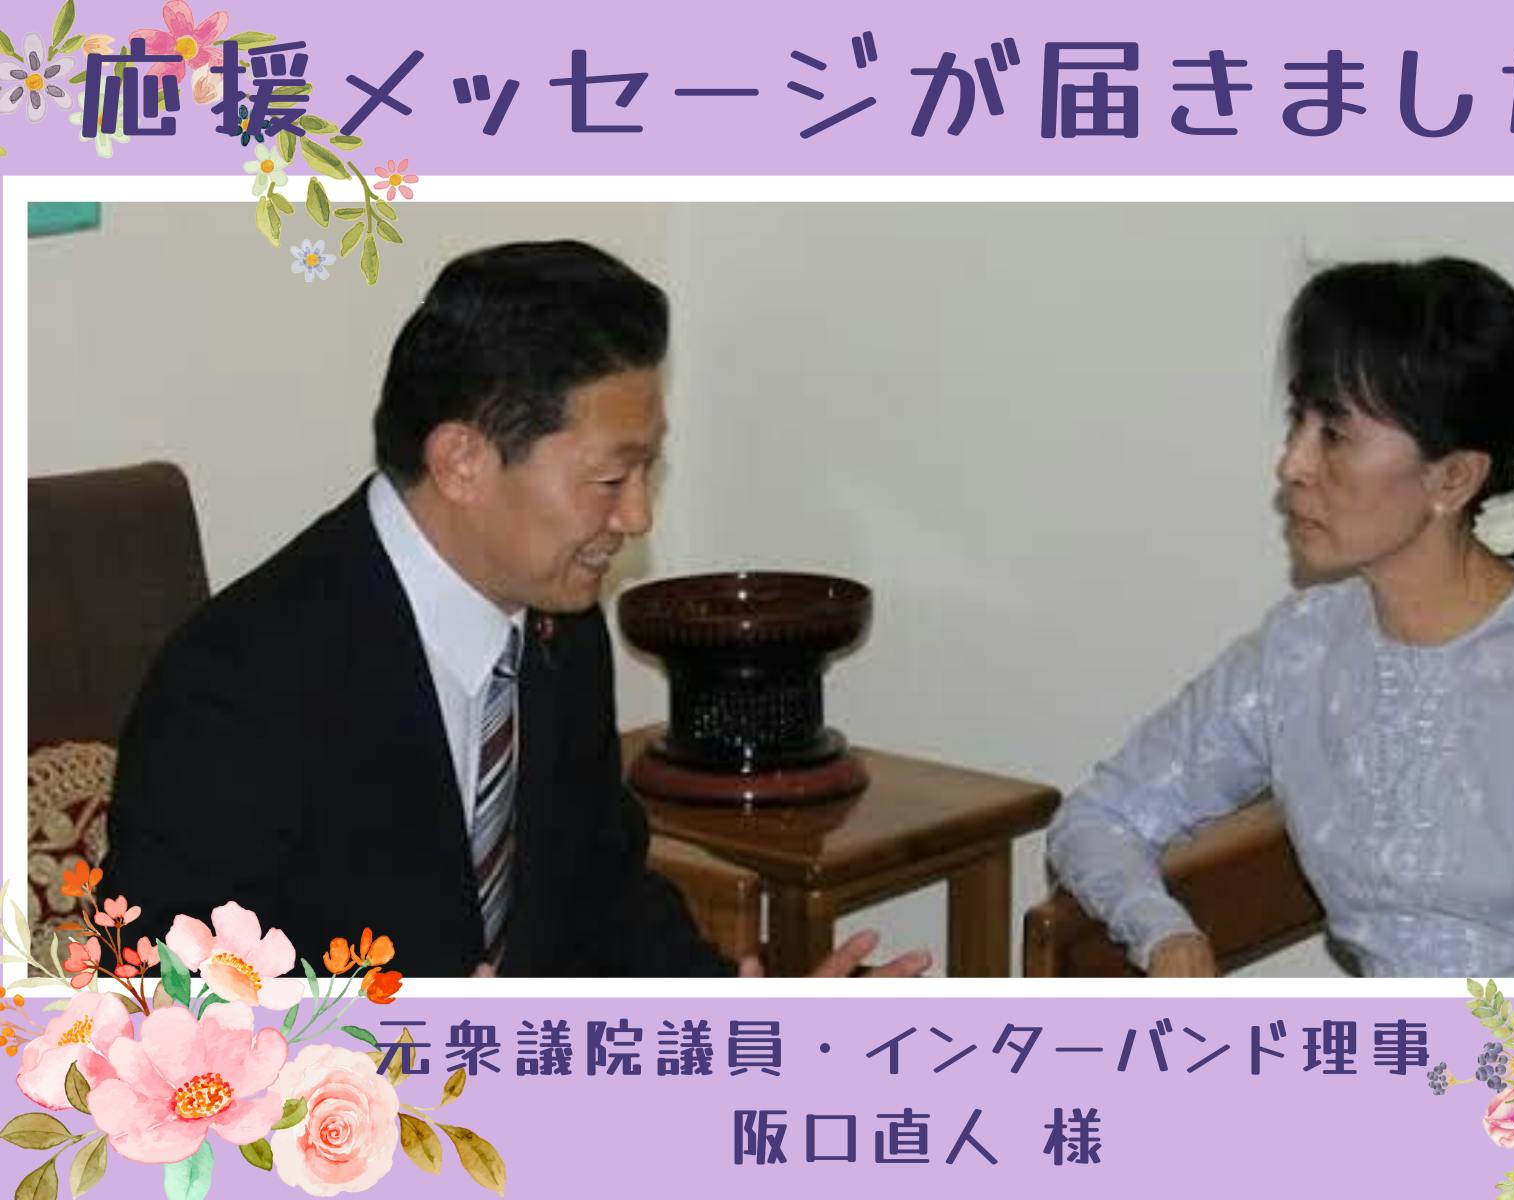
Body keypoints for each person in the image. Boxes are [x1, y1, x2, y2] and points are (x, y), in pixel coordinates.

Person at [103, 240, 930, 980]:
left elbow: (602, 897)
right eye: (610, 478)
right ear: (462, 460)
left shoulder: (557, 625)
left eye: (650, 470)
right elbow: (163, 1000)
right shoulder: (242, 686)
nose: (638, 515)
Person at [1046, 257, 1514, 979]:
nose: (1292, 463)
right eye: (1299, 420)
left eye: (1335, 434)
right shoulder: (1299, 651)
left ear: (1452, 477)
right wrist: (1163, 933)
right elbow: (1101, 817)